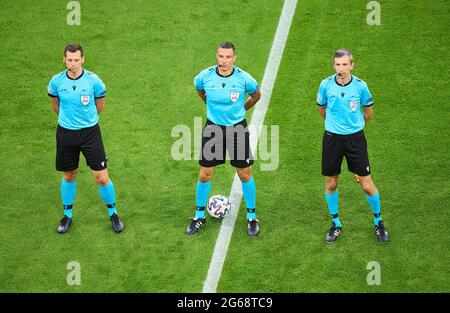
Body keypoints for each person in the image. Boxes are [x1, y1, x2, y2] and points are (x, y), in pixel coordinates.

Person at [186, 42, 261, 236]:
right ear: (217, 56)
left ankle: (252, 217)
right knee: (205, 174)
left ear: (234, 58)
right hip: (213, 129)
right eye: (220, 56)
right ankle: (199, 216)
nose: (224, 61)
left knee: (244, 174)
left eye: (228, 57)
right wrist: (212, 108)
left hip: (237, 129)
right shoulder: (204, 77)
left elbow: (256, 95)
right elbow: (200, 91)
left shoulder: (244, 79)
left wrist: (241, 109)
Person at [47, 44, 124, 233]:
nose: (72, 63)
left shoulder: (94, 81)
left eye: (76, 60)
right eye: (69, 60)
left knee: (102, 177)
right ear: (64, 59)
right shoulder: (56, 82)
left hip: (90, 133)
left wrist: (85, 121)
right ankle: (67, 216)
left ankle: (113, 213)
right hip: (66, 134)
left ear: (83, 59)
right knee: (69, 174)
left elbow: (100, 106)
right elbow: (56, 106)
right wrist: (70, 122)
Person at [316, 48, 388, 243]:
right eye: (338, 64)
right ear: (334, 65)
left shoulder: (360, 86)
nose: (341, 68)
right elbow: (321, 107)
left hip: (355, 139)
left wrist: (356, 129)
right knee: (331, 183)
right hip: (332, 139)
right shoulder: (325, 85)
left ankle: (378, 222)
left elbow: (369, 111)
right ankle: (336, 223)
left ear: (351, 65)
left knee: (366, 185)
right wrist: (334, 126)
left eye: (345, 64)